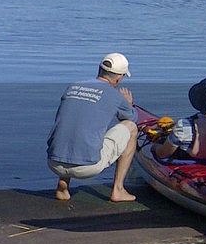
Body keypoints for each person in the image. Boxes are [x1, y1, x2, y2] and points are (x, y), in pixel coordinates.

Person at [47, 52, 138, 202]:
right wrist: (129, 105)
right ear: (119, 77)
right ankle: (118, 190)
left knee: (74, 123)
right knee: (131, 128)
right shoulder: (115, 96)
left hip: (54, 162)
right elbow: (131, 118)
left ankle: (63, 184)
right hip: (87, 167)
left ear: (99, 70)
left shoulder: (72, 87)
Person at [150, 77, 206, 162]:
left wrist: (154, 147)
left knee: (161, 143)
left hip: (189, 166)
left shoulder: (184, 126)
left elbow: (163, 154)